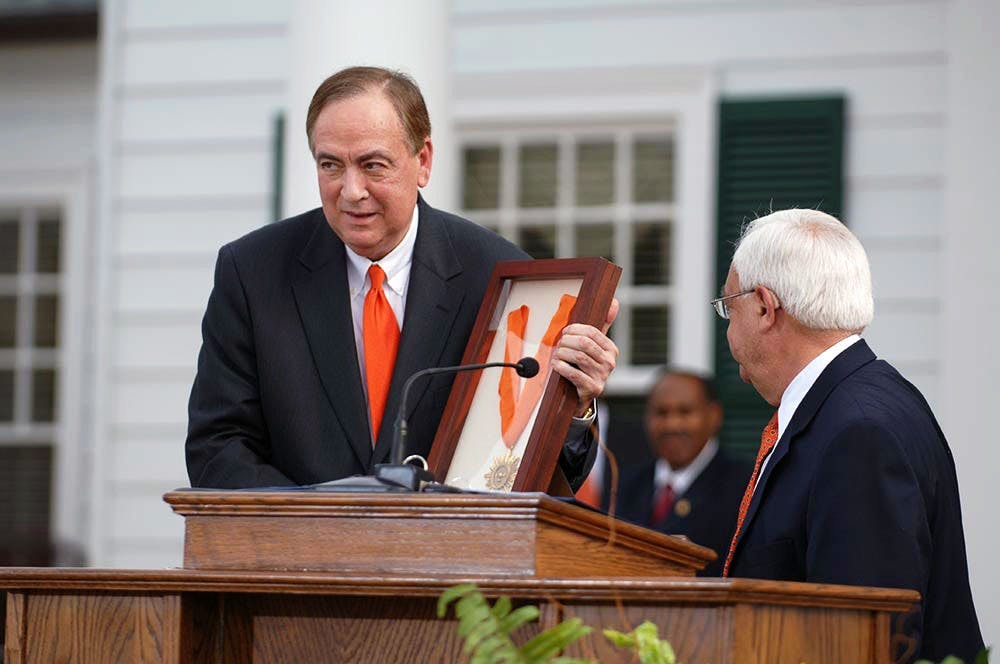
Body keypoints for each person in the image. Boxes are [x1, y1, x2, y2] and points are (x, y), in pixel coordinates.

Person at [186, 66, 618, 490]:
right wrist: (320, 526)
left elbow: (549, 476)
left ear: (423, 161)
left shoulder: (500, 277)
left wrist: (575, 404)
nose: (351, 191)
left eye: (373, 165)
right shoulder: (252, 271)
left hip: (447, 554)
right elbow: (218, 449)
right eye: (331, 165)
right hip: (297, 554)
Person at [716, 208, 982, 661]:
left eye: (729, 307)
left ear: (764, 306)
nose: (727, 329)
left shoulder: (857, 431)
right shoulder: (859, 403)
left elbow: (862, 643)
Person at [614, 369, 751, 577]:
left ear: (714, 416)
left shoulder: (746, 485)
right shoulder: (627, 485)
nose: (672, 425)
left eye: (685, 412)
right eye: (661, 413)